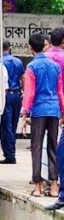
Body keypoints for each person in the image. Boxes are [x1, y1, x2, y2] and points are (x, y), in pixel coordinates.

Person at [20, 33, 64, 197]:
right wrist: (63, 111)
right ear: (44, 45)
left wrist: (25, 113)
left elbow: (29, 93)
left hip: (39, 111)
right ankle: (54, 186)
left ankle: (38, 186)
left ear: (31, 48)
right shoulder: (55, 66)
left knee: (37, 148)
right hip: (54, 110)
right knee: (53, 148)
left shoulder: (32, 67)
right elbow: (60, 92)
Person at [0, 40, 25, 164]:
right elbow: (23, 78)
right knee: (13, 125)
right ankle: (11, 152)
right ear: (9, 48)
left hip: (6, 95)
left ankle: (10, 155)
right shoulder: (18, 61)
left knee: (6, 126)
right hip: (17, 95)